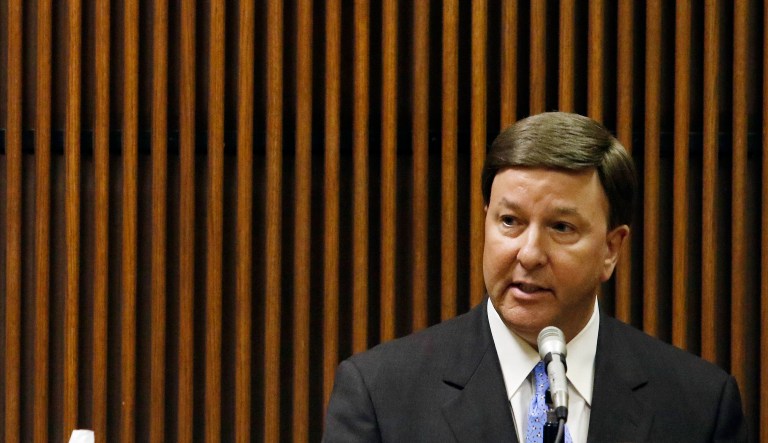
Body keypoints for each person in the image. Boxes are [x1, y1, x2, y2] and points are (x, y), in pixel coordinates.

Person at [322, 112, 747, 442]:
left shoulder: (698, 406)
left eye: (561, 228)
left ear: (611, 249)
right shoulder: (382, 394)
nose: (528, 253)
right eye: (510, 221)